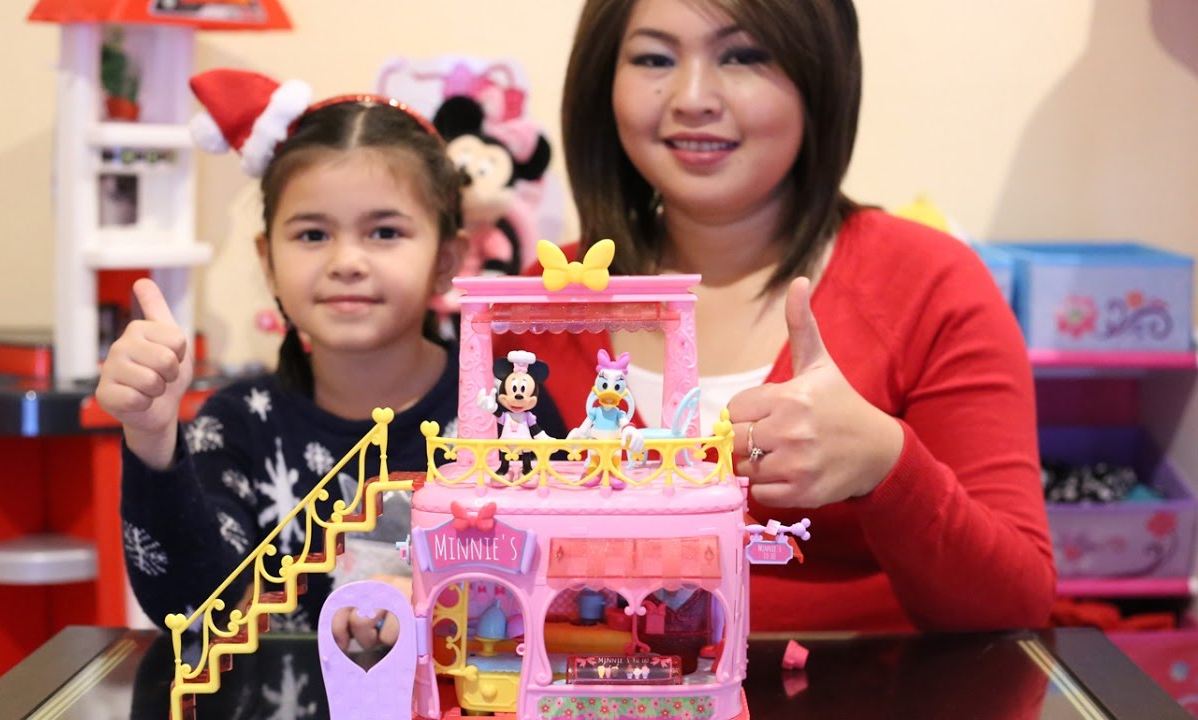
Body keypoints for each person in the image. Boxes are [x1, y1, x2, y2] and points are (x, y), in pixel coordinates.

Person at [514, 0, 1056, 633]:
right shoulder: (536, 304)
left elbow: (1015, 604)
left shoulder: (932, 284)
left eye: (744, 56)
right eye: (654, 59)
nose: (692, 98)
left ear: (819, 79)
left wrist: (885, 465)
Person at [96, 69, 472, 652]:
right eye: (313, 235)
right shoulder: (237, 425)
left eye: (385, 232)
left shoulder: (504, 412)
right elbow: (194, 610)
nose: (347, 262)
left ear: (446, 259)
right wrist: (151, 436)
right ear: (268, 261)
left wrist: (427, 604)